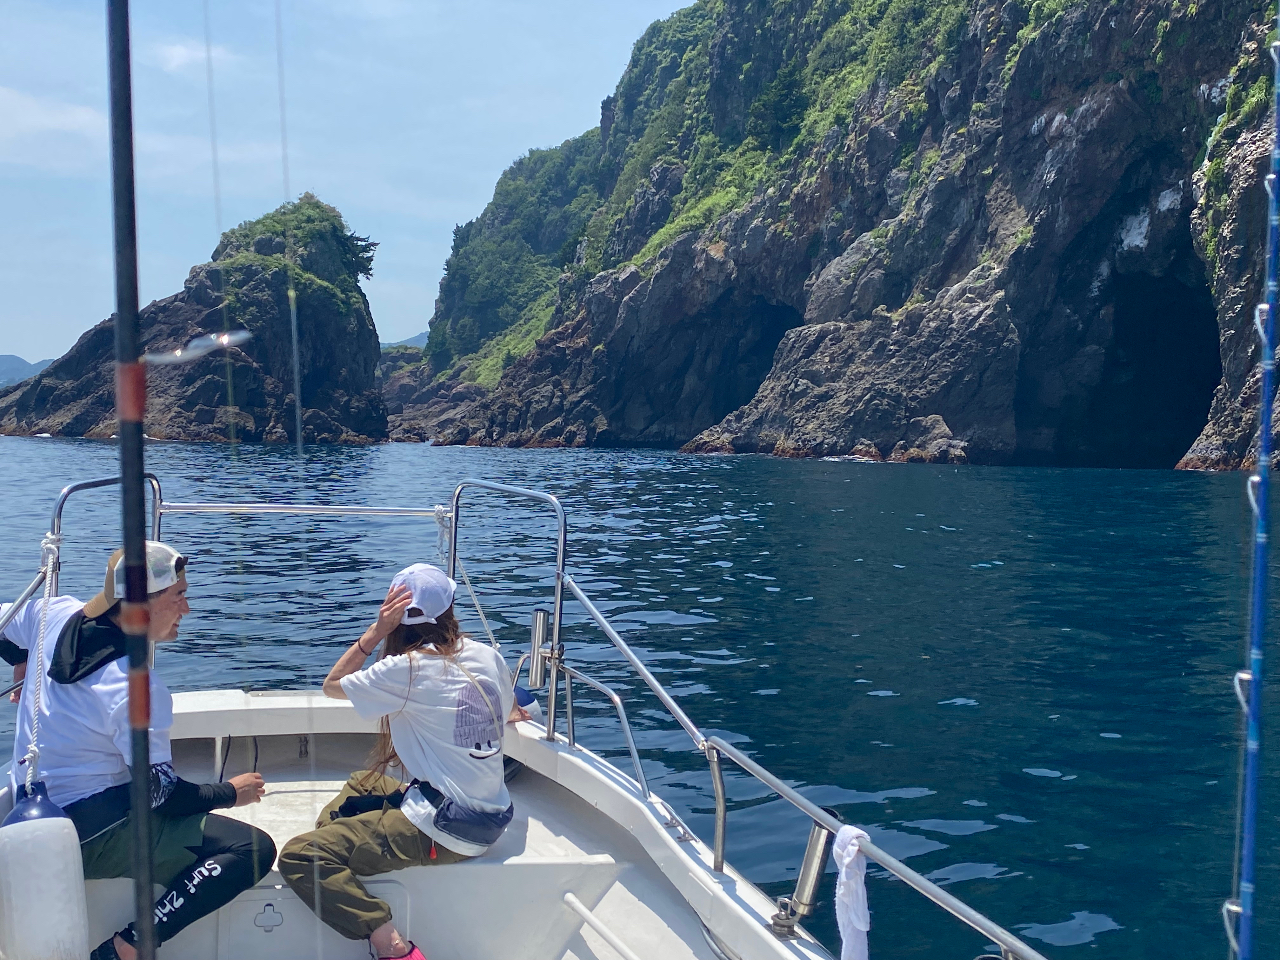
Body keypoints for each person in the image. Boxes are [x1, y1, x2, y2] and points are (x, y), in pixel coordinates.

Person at [0, 542, 275, 960]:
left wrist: (21, 661)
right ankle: (125, 948)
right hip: (87, 834)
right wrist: (230, 793)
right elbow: (160, 796)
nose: (187, 608)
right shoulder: (134, 686)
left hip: (33, 806)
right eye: (178, 596)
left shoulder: (54, 614)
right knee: (251, 849)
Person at [279, 563, 526, 960]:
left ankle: (392, 946)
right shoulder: (487, 656)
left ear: (396, 617)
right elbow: (510, 711)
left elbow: (331, 686)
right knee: (363, 782)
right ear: (450, 608)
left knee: (302, 855)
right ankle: (353, 853)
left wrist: (375, 632)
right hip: (491, 813)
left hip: (445, 829)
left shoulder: (406, 670)